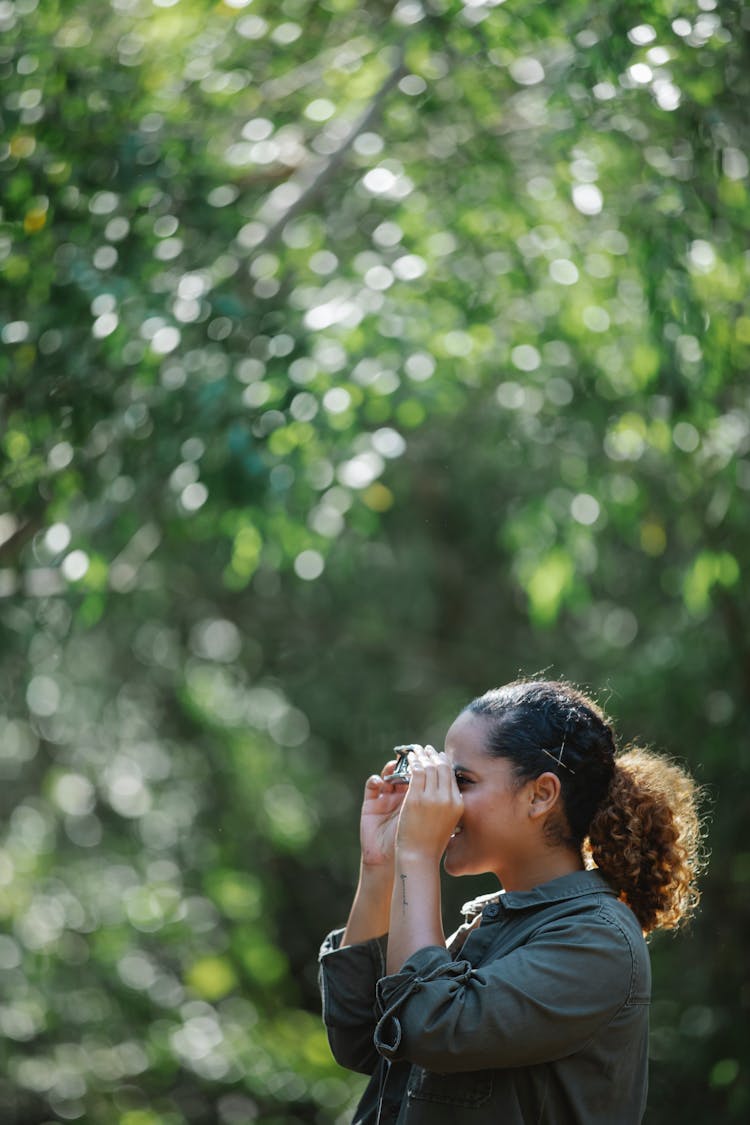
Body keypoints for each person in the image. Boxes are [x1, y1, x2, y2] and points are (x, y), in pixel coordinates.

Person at [318, 679, 704, 1125]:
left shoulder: (597, 939)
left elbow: (430, 1028)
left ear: (540, 795)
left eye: (461, 780)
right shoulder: (489, 922)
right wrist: (380, 863)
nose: (441, 799)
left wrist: (418, 854)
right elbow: (362, 1039)